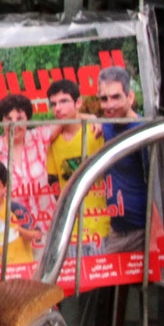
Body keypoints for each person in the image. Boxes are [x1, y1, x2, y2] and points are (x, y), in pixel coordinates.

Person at [0, 94, 57, 241]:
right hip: (12, 234)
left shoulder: (39, 137)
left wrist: (94, 119)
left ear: (28, 119)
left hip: (48, 229)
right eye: (8, 119)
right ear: (1, 121)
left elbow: (71, 119)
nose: (14, 124)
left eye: (19, 119)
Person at [42, 79, 108, 254]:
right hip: (69, 231)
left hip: (99, 227)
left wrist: (93, 118)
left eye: (64, 101)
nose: (58, 108)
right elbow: (54, 185)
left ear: (78, 103)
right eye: (53, 104)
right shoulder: (52, 142)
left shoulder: (96, 132)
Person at [96, 66, 154, 255]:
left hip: (143, 230)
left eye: (116, 97)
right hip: (116, 228)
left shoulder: (142, 131)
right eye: (104, 99)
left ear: (130, 97)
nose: (109, 104)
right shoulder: (106, 125)